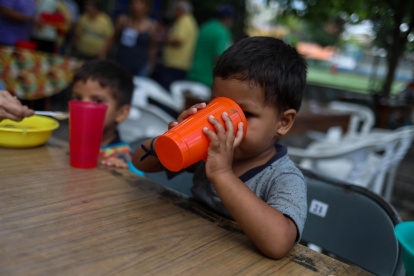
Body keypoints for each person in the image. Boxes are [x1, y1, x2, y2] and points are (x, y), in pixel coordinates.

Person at [132, 36, 308, 259]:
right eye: (217, 107)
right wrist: (171, 139)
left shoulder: (284, 177)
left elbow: (279, 244)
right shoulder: (209, 146)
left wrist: (222, 174)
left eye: (244, 115)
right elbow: (139, 161)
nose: (225, 123)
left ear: (283, 122)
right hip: (187, 253)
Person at [70, 60, 143, 174]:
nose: (84, 107)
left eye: (97, 101)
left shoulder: (123, 156)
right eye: (78, 98)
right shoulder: (75, 146)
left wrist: (123, 171)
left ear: (120, 113)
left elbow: (138, 183)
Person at [101, 0, 157, 77]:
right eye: (133, 3)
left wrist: (150, 65)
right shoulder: (123, 20)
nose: (136, 6)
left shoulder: (151, 26)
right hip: (121, 61)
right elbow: (112, 38)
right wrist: (104, 52)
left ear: (146, 6)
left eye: (140, 3)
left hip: (140, 64)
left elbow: (153, 47)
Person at [187, 4, 235, 87]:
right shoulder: (222, 32)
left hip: (193, 74)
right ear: (228, 19)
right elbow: (219, 57)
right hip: (208, 79)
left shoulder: (205, 26)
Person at [156, 0, 198, 90]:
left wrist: (163, 40)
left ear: (180, 10)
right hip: (178, 64)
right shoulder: (188, 21)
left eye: (176, 10)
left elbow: (179, 40)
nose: (174, 12)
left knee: (165, 91)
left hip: (176, 64)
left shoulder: (184, 21)